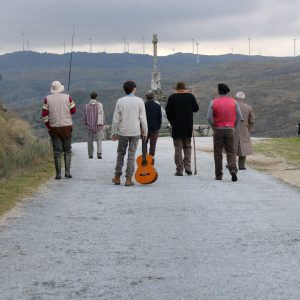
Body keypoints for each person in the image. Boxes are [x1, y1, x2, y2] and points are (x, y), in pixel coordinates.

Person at [111, 81, 148, 186]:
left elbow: (115, 119)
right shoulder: (140, 101)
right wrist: (145, 132)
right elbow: (143, 119)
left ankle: (117, 177)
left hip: (123, 132)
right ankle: (128, 179)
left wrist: (114, 132)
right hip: (135, 132)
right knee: (131, 156)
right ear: (134, 89)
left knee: (120, 154)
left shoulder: (120, 101)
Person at [207, 83, 242, 182]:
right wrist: (233, 126)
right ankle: (233, 169)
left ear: (219, 91)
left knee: (218, 153)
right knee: (230, 151)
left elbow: (208, 117)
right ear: (227, 91)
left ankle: (219, 175)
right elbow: (239, 116)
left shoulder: (214, 102)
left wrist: (214, 126)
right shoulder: (234, 102)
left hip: (218, 129)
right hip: (230, 130)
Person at [42, 80, 76, 179]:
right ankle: (67, 172)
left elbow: (44, 115)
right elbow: (73, 111)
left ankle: (58, 174)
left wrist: (49, 127)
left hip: (54, 128)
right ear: (61, 88)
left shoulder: (47, 99)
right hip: (66, 127)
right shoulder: (68, 97)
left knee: (57, 151)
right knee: (67, 150)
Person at [166, 81, 199, 176]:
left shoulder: (172, 97)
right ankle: (188, 167)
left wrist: (172, 121)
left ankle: (179, 169)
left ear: (176, 88)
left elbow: (167, 112)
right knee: (187, 147)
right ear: (185, 88)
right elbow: (196, 109)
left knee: (178, 148)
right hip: (188, 125)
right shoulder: (190, 96)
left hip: (176, 126)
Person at [234, 91, 255, 170]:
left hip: (233, 128)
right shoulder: (249, 107)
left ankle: (231, 164)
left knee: (232, 145)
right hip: (244, 129)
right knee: (243, 146)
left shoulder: (232, 105)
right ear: (244, 99)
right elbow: (252, 121)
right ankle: (241, 165)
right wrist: (248, 128)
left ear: (236, 98)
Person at [84, 92, 104, 159]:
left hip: (90, 126)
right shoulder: (100, 105)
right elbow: (102, 115)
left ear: (90, 97)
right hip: (99, 125)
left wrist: (86, 123)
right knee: (99, 140)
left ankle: (90, 154)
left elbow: (85, 116)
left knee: (90, 140)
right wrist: (102, 123)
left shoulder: (87, 106)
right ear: (96, 97)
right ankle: (99, 154)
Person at [144, 90, 162, 158]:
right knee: (153, 144)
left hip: (145, 128)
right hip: (154, 128)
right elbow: (159, 117)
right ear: (153, 97)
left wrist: (141, 127)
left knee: (144, 143)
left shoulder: (143, 105)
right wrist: (158, 127)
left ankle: (144, 157)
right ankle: (151, 158)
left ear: (146, 97)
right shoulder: (157, 106)